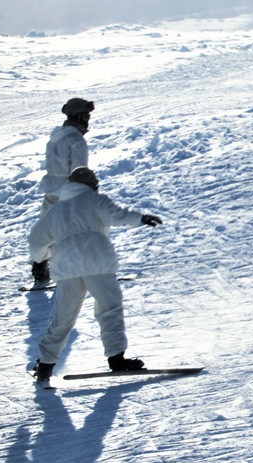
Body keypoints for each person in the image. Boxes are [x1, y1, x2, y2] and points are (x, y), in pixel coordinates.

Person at [28, 167, 163, 381]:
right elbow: (116, 215)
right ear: (90, 183)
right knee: (109, 307)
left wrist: (40, 259)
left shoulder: (56, 210)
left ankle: (45, 364)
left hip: (66, 264)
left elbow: (36, 238)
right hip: (95, 258)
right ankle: (116, 359)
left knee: (63, 317)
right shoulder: (93, 199)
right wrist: (140, 218)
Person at [31, 97, 94, 284]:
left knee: (47, 228)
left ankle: (40, 264)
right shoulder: (76, 140)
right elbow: (79, 170)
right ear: (79, 116)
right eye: (86, 115)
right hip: (68, 191)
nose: (88, 119)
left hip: (51, 188)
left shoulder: (57, 135)